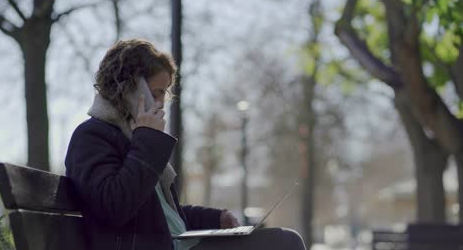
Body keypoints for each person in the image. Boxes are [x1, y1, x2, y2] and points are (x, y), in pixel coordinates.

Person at [64, 39, 306, 250]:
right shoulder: (92, 137)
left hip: (175, 244)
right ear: (129, 88)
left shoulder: (133, 138)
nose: (160, 104)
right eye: (155, 93)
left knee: (284, 240)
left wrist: (214, 219)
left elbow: (163, 217)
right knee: (284, 244)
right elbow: (114, 207)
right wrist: (147, 139)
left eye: (164, 95)